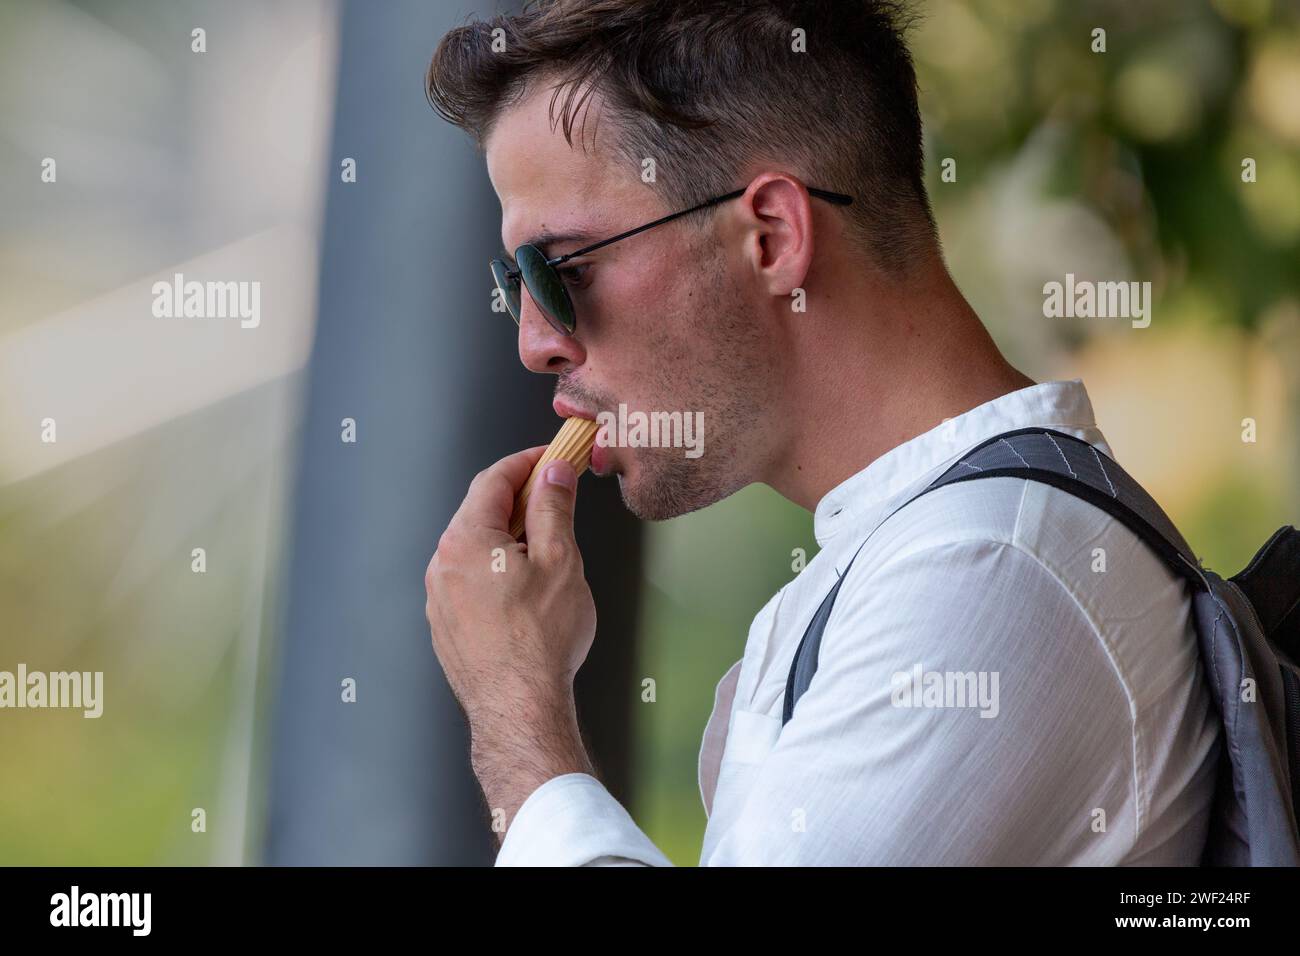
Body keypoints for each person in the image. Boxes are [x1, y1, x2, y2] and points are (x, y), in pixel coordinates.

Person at [422, 0, 1220, 865]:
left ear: (771, 236)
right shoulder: (921, 549)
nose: (535, 341)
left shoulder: (986, 564)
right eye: (513, 281)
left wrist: (520, 712)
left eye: (561, 269)